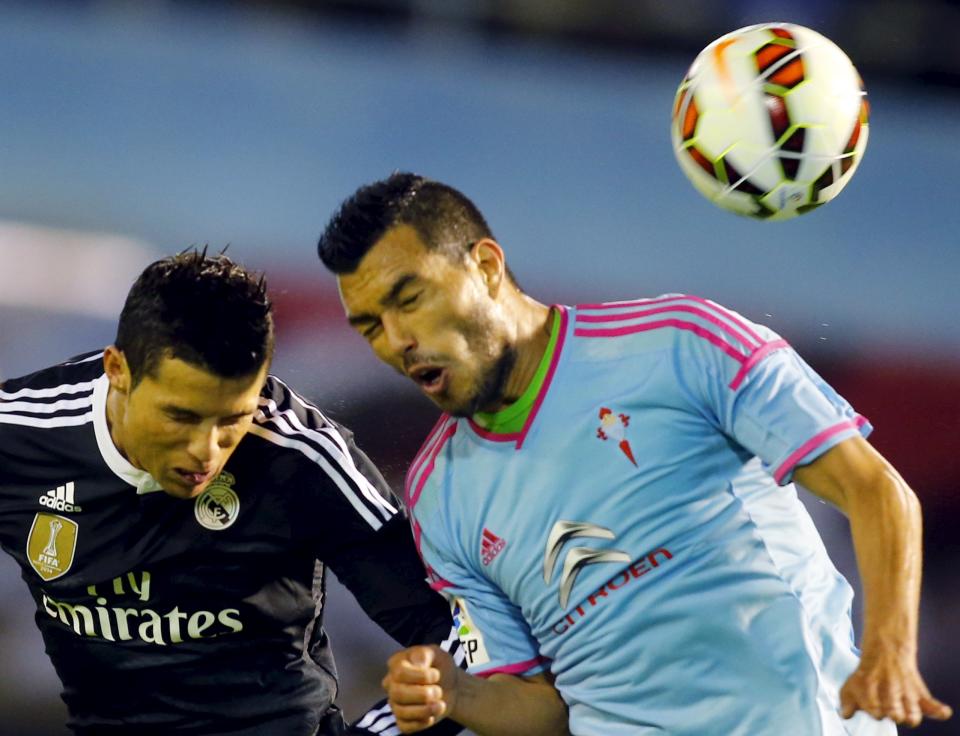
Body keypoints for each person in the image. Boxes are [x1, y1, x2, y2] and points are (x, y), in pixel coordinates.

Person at [316, 172, 953, 736]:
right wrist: (459, 694)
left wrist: (889, 652)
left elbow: (876, 490)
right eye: (370, 325)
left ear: (485, 265)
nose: (397, 340)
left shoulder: (681, 344)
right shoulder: (437, 495)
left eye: (409, 298)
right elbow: (546, 711)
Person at [0, 250, 465, 736]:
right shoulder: (19, 436)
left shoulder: (299, 458)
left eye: (232, 419)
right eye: (180, 416)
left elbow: (465, 638)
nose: (207, 452)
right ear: (118, 369)